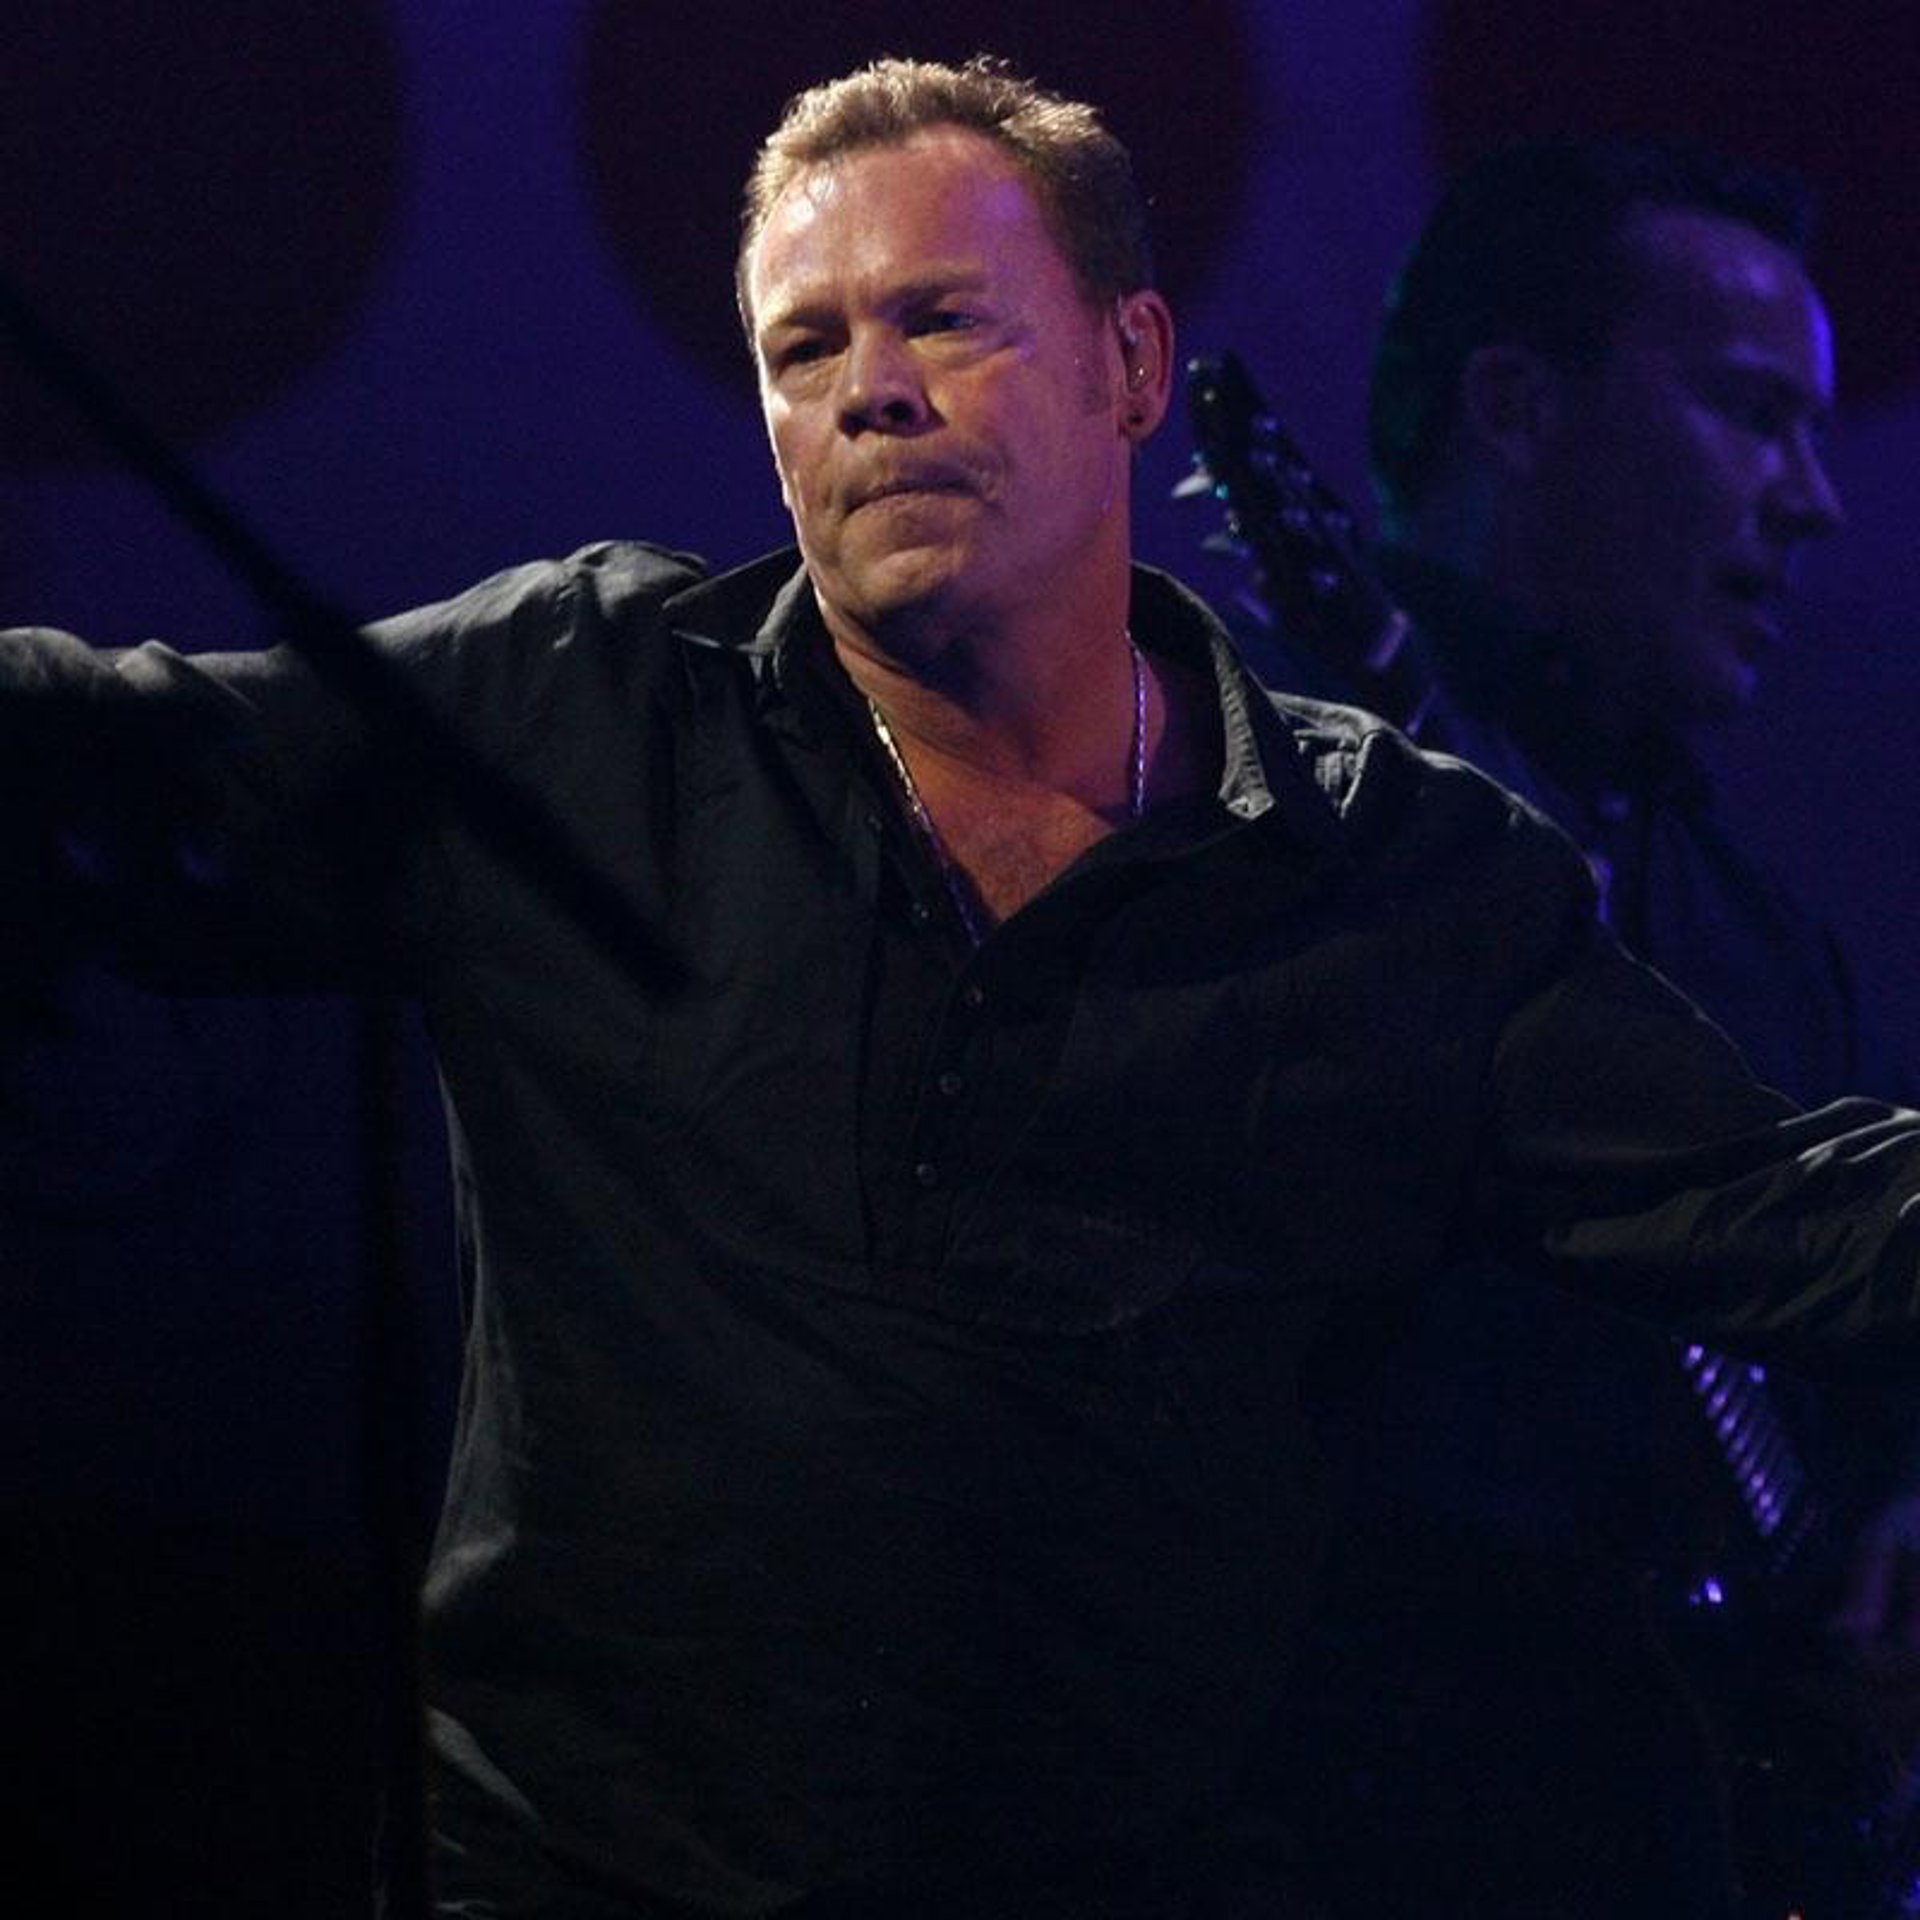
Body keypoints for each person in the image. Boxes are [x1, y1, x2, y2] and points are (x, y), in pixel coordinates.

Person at [6, 62, 1920, 1919]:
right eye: (804, 349)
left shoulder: (1396, 866)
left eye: (941, 320)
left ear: (1133, 368)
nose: (872, 392)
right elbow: (97, 751)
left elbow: (1776, 1207)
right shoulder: (581, 701)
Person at [1257, 137, 1920, 1917]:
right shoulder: (1253, 804)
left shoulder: (1762, 944)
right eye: (1751, 413)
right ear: (1517, 410)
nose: (1812, 500)